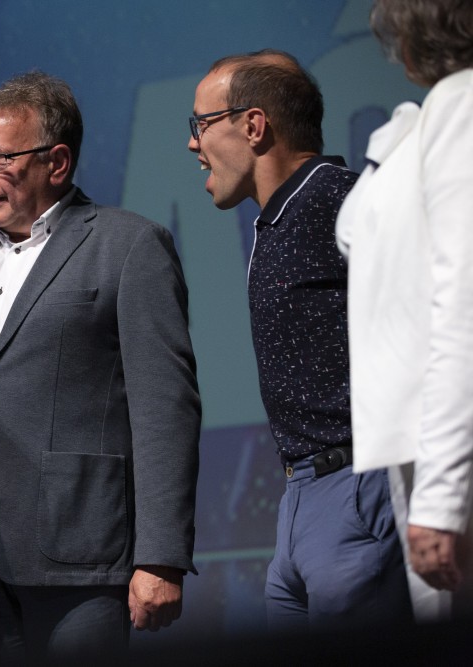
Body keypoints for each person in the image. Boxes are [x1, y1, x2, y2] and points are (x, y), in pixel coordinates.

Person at [0, 71, 201, 665]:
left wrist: (160, 556)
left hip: (81, 560)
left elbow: (166, 409)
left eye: (1, 158)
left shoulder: (128, 246)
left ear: (56, 162)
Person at [187, 49, 411, 630]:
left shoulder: (342, 200)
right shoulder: (281, 215)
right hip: (299, 500)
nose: (192, 143)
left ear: (253, 126)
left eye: (201, 124)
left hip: (356, 491)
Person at [335, 0, 473, 623]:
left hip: (450, 454)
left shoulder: (461, 103)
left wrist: (442, 499)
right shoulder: (434, 114)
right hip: (428, 450)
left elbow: (461, 307)